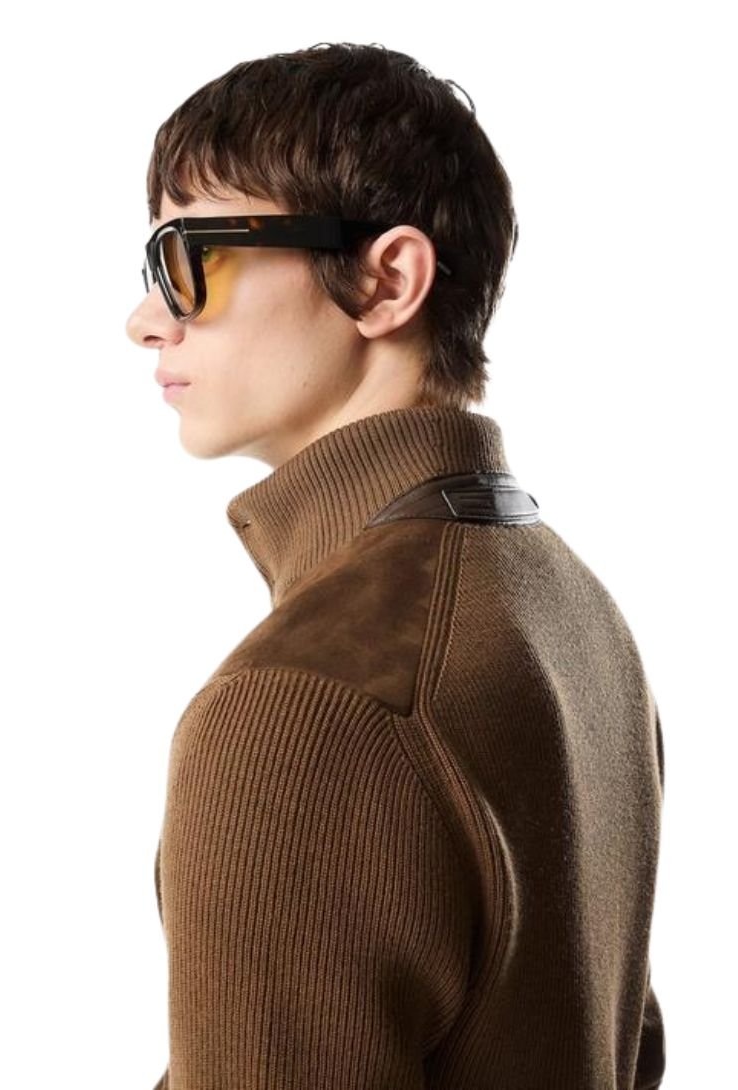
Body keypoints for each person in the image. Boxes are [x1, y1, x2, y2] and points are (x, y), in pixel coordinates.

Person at [125, 41, 666, 1090]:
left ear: (387, 280)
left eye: (191, 255)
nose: (147, 319)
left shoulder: (300, 706)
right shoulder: (574, 611)